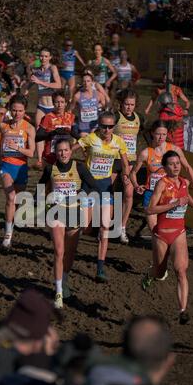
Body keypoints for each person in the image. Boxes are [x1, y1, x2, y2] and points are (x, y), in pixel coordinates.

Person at [143, 150, 193, 324]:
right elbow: (149, 209)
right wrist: (172, 205)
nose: (176, 166)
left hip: (179, 233)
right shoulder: (162, 184)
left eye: (178, 163)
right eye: (171, 164)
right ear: (165, 167)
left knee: (181, 270)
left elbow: (186, 196)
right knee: (159, 272)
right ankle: (149, 275)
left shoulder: (184, 182)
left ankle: (183, 310)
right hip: (162, 234)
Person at [38, 139, 101, 308]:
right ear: (55, 153)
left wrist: (81, 193)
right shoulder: (51, 169)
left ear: (70, 152)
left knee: (70, 252)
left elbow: (94, 186)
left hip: (74, 212)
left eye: (66, 150)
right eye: (60, 151)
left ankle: (64, 279)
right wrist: (46, 199)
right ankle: (58, 292)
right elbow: (40, 186)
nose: (63, 153)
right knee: (59, 251)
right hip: (56, 213)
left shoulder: (79, 167)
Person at [73, 112, 130, 282]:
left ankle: (100, 268)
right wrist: (64, 154)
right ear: (99, 125)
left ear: (114, 127)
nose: (106, 129)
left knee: (105, 227)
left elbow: (125, 163)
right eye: (103, 126)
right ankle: (66, 250)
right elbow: (72, 149)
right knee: (84, 226)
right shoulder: (90, 138)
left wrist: (126, 175)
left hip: (106, 187)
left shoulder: (118, 142)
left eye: (110, 126)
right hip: (89, 186)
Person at [130, 120, 193, 233]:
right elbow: (132, 173)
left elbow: (187, 167)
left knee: (168, 232)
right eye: (158, 134)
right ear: (152, 133)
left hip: (169, 194)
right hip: (151, 194)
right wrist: (136, 186)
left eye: (164, 134)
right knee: (156, 232)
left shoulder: (174, 150)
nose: (161, 137)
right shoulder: (146, 153)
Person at [0, 95, 35, 247]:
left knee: (18, 201)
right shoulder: (3, 126)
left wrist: (18, 148)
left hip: (21, 168)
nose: (17, 113)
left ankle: (14, 221)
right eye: (14, 110)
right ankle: (8, 235)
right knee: (11, 197)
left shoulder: (29, 128)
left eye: (20, 111)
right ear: (10, 110)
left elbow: (31, 153)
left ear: (24, 111)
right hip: (6, 166)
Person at [113, 89, 144, 244]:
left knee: (129, 193)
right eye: (126, 104)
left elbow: (146, 135)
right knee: (109, 192)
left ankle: (122, 228)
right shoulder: (116, 116)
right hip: (113, 159)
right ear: (121, 103)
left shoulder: (138, 119)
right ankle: (105, 224)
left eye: (132, 104)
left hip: (130, 161)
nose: (129, 107)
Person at [25, 47, 61, 168]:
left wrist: (41, 83)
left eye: (46, 56)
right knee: (39, 131)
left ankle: (55, 156)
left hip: (52, 106)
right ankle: (40, 160)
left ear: (50, 57)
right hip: (41, 105)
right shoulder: (37, 70)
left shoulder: (52, 68)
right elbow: (31, 82)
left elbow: (58, 85)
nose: (43, 58)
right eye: (41, 56)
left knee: (53, 133)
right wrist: (26, 89)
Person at [35, 90, 78, 166]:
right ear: (53, 103)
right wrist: (53, 132)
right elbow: (37, 137)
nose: (59, 105)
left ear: (66, 103)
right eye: (57, 102)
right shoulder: (47, 117)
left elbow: (77, 135)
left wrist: (68, 132)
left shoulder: (71, 117)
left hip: (65, 158)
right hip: (49, 157)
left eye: (62, 102)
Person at [70, 72, 105, 137]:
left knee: (94, 142)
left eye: (88, 81)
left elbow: (103, 103)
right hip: (83, 125)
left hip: (95, 124)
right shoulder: (77, 96)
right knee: (84, 144)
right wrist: (72, 121)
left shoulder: (98, 94)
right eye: (84, 81)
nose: (86, 83)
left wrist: (97, 106)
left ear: (92, 82)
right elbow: (71, 109)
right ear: (82, 82)